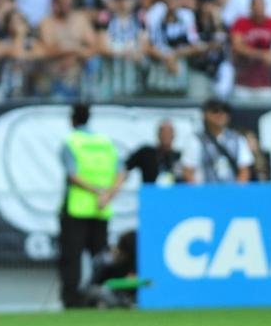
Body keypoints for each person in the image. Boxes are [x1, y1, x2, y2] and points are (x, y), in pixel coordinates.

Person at [59, 103, 125, 309]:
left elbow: (73, 175)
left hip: (77, 209)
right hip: (101, 209)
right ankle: (102, 297)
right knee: (101, 258)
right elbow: (121, 173)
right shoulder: (106, 142)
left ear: (73, 120)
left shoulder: (71, 142)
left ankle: (72, 301)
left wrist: (97, 192)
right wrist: (107, 195)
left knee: (72, 258)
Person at [182, 98, 255, 183]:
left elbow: (244, 170)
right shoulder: (195, 140)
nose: (220, 114)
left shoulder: (238, 138)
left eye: (225, 111)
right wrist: (198, 191)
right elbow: (188, 171)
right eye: (215, 111)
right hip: (204, 189)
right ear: (205, 114)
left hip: (232, 189)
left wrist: (236, 190)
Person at [125, 120, 183, 187]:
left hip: (174, 192)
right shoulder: (146, 153)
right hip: (150, 192)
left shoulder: (180, 157)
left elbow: (188, 179)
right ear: (158, 134)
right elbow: (126, 168)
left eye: (169, 133)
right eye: (163, 132)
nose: (166, 135)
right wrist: (115, 188)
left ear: (173, 135)